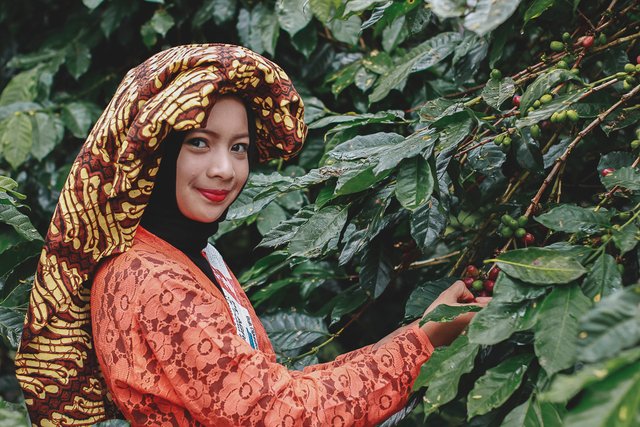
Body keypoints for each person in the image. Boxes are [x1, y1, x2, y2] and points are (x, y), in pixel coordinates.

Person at [15, 44, 489, 427]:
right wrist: (425, 340)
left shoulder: (188, 254)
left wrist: (422, 331)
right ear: (155, 152)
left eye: (238, 148)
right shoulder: (152, 278)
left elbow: (269, 390)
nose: (224, 170)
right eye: (199, 142)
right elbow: (282, 416)